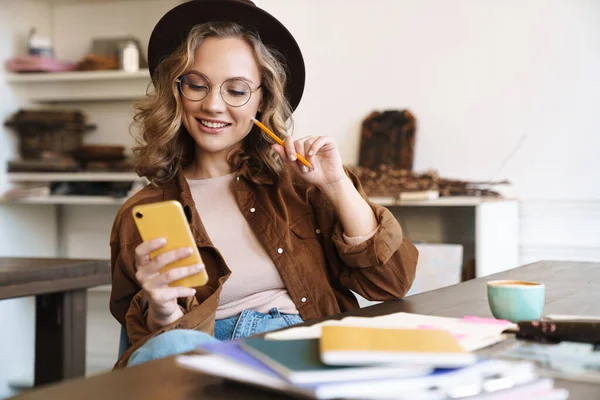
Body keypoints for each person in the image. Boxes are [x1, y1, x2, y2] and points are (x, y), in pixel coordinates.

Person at [109, 0, 418, 368]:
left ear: (261, 100)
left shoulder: (302, 184)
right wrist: (160, 310)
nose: (213, 105)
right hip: (206, 358)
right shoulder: (142, 213)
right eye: (197, 85)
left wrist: (336, 185)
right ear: (177, 91)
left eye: (236, 90)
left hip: (305, 345)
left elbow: (391, 283)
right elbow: (149, 348)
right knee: (166, 348)